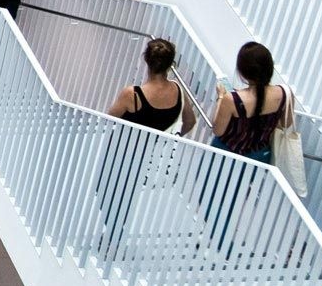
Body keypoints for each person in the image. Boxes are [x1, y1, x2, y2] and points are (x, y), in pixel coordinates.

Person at [96, 38, 196, 252]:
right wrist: (170, 136)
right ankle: (115, 231)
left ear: (146, 61)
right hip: (148, 152)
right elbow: (190, 121)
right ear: (171, 64)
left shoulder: (132, 94)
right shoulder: (178, 91)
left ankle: (113, 231)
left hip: (121, 149)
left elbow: (109, 117)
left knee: (105, 188)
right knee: (128, 192)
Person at [205, 41, 293, 249]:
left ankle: (222, 244)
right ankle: (224, 240)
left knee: (212, 196)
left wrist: (220, 97)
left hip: (228, 154)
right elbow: (286, 123)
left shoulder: (231, 99)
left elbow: (218, 130)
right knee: (235, 196)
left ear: (243, 72)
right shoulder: (284, 93)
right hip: (259, 155)